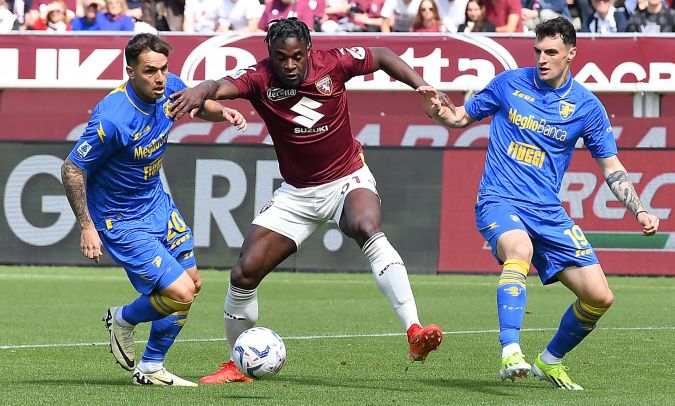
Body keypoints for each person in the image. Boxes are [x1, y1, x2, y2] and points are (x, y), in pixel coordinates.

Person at [168, 17, 446, 384]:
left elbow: (380, 55)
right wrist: (200, 90)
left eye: (297, 57)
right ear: (270, 54)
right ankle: (236, 365)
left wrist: (421, 85)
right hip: (297, 193)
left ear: (308, 51)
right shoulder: (259, 78)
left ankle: (413, 330)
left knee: (365, 226)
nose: (290, 65)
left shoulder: (334, 63)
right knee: (244, 272)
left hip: (348, 178)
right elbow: (221, 85)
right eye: (281, 58)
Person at [417, 17, 659, 390]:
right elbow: (460, 117)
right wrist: (439, 112)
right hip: (499, 199)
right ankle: (511, 351)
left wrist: (639, 209)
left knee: (599, 296)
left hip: (547, 211)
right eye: (538, 51)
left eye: (551, 52)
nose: (542, 59)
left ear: (571, 54)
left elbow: (611, 167)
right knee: (520, 248)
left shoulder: (587, 107)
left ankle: (550, 360)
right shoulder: (509, 84)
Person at [61, 33, 247, 387]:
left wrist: (221, 111)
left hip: (157, 204)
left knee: (192, 284)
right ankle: (123, 319)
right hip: (121, 219)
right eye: (150, 71)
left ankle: (150, 367)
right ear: (130, 71)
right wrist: (87, 227)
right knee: (179, 293)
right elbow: (71, 169)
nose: (160, 78)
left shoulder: (168, 87)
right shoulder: (113, 118)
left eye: (163, 69)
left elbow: (194, 103)